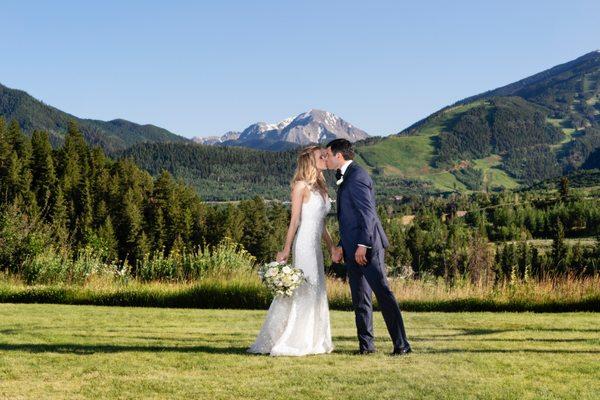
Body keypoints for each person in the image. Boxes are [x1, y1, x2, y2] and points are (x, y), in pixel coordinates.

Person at [325, 138, 411, 356]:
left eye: (327, 154)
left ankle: (402, 345)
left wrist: (363, 245)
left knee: (383, 293)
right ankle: (366, 346)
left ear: (339, 156)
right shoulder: (346, 177)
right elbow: (349, 220)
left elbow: (367, 214)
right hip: (353, 250)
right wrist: (343, 246)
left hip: (368, 248)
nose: (325, 159)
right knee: (360, 299)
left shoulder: (358, 176)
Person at [248, 145, 335, 356]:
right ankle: (295, 340)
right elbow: (294, 221)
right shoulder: (300, 186)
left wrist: (332, 246)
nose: (325, 157)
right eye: (320, 155)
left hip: (316, 248)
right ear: (310, 161)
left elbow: (321, 224)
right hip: (304, 245)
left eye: (325, 155)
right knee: (304, 289)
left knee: (316, 290)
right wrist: (286, 248)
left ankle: (315, 340)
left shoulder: (322, 187)